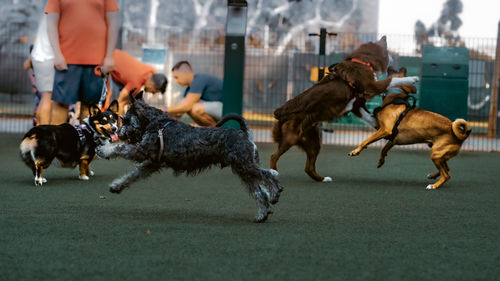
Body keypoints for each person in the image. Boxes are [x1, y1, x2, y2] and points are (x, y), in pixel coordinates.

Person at [45, 0, 119, 125]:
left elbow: (113, 23)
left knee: (91, 108)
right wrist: (57, 54)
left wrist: (109, 57)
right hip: (66, 60)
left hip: (97, 62)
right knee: (61, 105)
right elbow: (51, 23)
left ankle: (86, 143)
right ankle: (56, 143)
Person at [110, 49, 168, 115]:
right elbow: (119, 103)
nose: (152, 93)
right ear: (151, 84)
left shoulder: (151, 71)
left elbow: (157, 76)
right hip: (104, 59)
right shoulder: (136, 84)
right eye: (153, 91)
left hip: (114, 52)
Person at [167, 61, 223, 127]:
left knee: (195, 108)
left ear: (185, 72)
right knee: (185, 104)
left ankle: (216, 131)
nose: (176, 81)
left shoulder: (199, 79)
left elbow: (186, 106)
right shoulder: (189, 89)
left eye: (176, 77)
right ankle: (213, 130)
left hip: (228, 110)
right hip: (218, 110)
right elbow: (179, 111)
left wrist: (164, 109)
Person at [30, 13, 55, 125]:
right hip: (48, 57)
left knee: (45, 98)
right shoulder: (56, 10)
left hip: (41, 58)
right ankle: (43, 132)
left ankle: (39, 129)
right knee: (48, 98)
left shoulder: (48, 12)